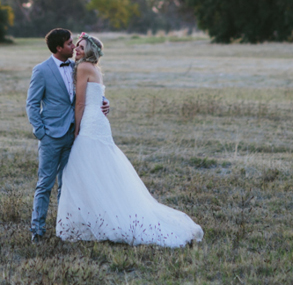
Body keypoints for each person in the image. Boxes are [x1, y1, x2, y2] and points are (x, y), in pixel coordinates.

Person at [56, 32, 204, 247]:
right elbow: (96, 97)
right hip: (98, 122)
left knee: (81, 169)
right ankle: (97, 216)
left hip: (89, 123)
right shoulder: (94, 68)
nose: (76, 49)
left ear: (88, 51)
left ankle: (93, 221)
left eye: (81, 46)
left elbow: (80, 103)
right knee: (98, 169)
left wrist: (76, 130)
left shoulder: (82, 67)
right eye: (75, 45)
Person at [26, 28, 109, 241]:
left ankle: (64, 229)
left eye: (74, 43)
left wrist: (104, 103)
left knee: (68, 185)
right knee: (45, 184)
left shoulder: (77, 67)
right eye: (70, 44)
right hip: (51, 136)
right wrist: (41, 132)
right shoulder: (41, 71)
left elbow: (88, 95)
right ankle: (37, 231)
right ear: (58, 48)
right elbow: (32, 104)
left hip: (75, 135)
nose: (74, 47)